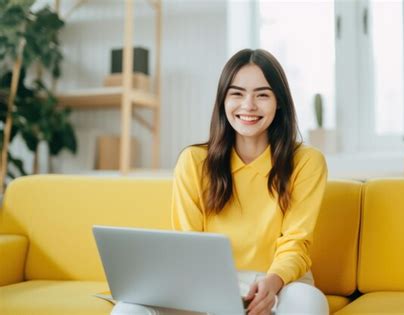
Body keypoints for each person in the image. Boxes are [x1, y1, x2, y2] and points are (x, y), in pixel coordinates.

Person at [112, 49, 329, 315]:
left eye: (262, 94)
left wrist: (272, 284)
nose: (248, 106)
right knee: (128, 309)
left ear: (279, 102)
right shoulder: (193, 161)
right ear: (223, 100)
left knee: (310, 304)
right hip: (205, 282)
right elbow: (187, 243)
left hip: (280, 282)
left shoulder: (307, 161)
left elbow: (296, 244)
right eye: (237, 94)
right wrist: (209, 293)